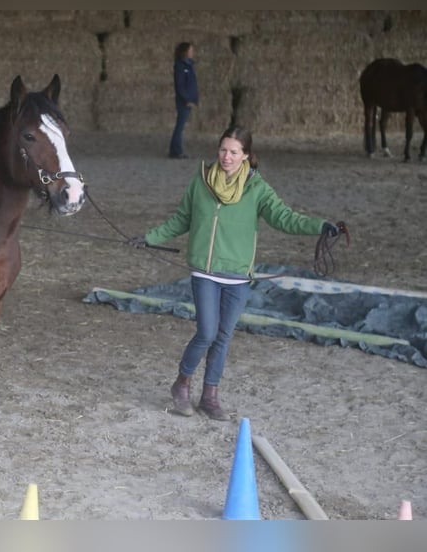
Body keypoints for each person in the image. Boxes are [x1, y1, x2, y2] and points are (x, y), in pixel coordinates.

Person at [130, 125, 341, 421]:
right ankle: (182, 382)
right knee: (206, 332)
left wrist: (320, 226)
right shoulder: (201, 182)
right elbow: (181, 220)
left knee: (224, 336)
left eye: (233, 152)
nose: (226, 157)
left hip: (238, 277)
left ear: (246, 156)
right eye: (222, 150)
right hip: (205, 272)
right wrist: (150, 237)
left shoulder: (258, 189)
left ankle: (210, 396)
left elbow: (285, 218)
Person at [169, 42, 199, 159]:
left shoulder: (188, 66)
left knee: (180, 125)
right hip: (184, 101)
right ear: (185, 52)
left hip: (188, 99)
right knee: (180, 126)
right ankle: (176, 151)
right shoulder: (181, 66)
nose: (192, 52)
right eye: (191, 50)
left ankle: (175, 149)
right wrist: (187, 99)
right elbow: (180, 85)